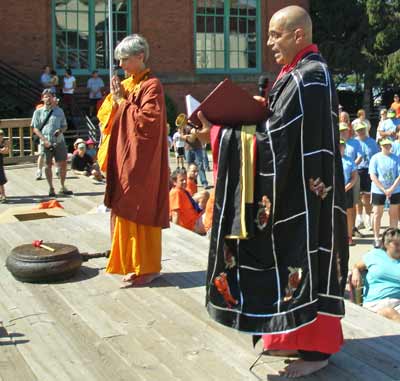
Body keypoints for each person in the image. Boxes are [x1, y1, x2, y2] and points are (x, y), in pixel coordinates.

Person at [195, 6, 348, 377]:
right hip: (302, 192)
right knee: (298, 264)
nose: (268, 43)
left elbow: (275, 142)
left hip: (306, 198)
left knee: (305, 260)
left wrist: (216, 135)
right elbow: (280, 127)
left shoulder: (308, 78)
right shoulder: (300, 73)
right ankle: (296, 338)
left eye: (275, 35)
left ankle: (315, 351)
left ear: (298, 35)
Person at [99, 34, 169, 287]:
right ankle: (130, 264)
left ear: (140, 57)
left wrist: (121, 102)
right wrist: (115, 101)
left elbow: (148, 123)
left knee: (141, 208)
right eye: (119, 60)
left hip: (142, 163)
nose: (121, 66)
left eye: (125, 60)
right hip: (122, 158)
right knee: (122, 208)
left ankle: (148, 268)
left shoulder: (152, 85)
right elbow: (105, 117)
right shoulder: (127, 85)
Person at [351, 228, 400, 323]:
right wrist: (355, 271)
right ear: (386, 244)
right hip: (375, 304)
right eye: (396, 244)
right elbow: (357, 265)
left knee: (391, 313)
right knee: (388, 312)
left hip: (398, 303)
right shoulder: (374, 255)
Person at [31, 89, 72, 197]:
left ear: (53, 98)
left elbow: (65, 125)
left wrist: (60, 131)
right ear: (42, 98)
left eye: (50, 96)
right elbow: (35, 129)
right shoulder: (38, 112)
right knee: (47, 165)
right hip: (45, 142)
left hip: (59, 141)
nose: (48, 98)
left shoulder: (59, 111)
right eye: (46, 96)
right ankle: (51, 188)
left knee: (63, 164)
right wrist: (44, 140)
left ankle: (62, 186)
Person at [369, 138, 400, 248]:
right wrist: (384, 189)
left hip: (395, 190)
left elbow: (399, 176)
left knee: (394, 214)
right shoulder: (375, 158)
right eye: (385, 145)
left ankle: (392, 238)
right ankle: (376, 238)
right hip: (378, 190)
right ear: (380, 146)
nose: (387, 147)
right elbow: (373, 176)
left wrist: (391, 189)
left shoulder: (396, 158)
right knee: (377, 214)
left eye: (389, 145)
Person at [339, 122, 363, 238]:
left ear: (348, 131)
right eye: (340, 130)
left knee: (353, 205)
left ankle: (352, 229)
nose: (342, 132)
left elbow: (360, 156)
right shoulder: (334, 142)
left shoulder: (355, 142)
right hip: (342, 181)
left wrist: (352, 165)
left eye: (344, 130)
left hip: (351, 177)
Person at [354, 122, 379, 231]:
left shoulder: (373, 142)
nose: (361, 131)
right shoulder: (353, 142)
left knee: (367, 196)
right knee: (358, 196)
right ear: (355, 131)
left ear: (366, 129)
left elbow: (376, 158)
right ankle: (359, 218)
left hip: (368, 171)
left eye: (362, 129)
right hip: (356, 171)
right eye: (359, 130)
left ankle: (368, 218)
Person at [169, 168, 205, 234]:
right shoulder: (175, 193)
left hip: (196, 219)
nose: (185, 182)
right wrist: (175, 234)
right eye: (182, 180)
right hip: (193, 224)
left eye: (185, 179)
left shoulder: (183, 191)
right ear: (174, 182)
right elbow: (175, 215)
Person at [340, 140, 358, 246]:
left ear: (344, 147)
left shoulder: (349, 160)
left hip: (347, 189)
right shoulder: (331, 159)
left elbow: (354, 176)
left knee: (348, 214)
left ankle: (349, 237)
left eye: (342, 145)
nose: (340, 147)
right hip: (334, 190)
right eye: (338, 145)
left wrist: (346, 187)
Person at [0, 129, 9, 203]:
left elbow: (6, 151)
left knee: (1, 181)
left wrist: (5, 148)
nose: (0, 136)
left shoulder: (4, 143)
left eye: (1, 135)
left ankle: (3, 195)